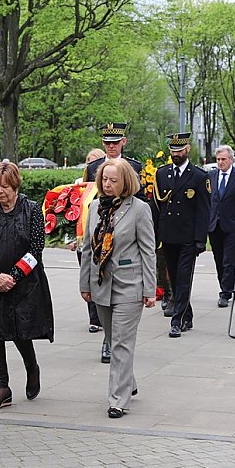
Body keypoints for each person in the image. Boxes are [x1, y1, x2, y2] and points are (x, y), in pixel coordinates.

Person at [79, 158, 156, 418]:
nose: (108, 184)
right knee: (113, 340)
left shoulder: (139, 209)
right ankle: (129, 382)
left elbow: (148, 251)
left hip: (130, 286)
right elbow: (88, 249)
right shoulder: (94, 207)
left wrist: (149, 289)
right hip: (101, 286)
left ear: (125, 182)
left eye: (113, 180)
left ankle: (117, 400)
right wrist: (85, 284)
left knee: (121, 343)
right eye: (104, 180)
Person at [0, 161, 54, 410]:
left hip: (24, 284)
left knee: (20, 332)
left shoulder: (31, 210)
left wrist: (14, 276)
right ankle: (2, 386)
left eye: (5, 187)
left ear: (16, 186)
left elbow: (36, 249)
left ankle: (32, 367)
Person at [83, 123, 144, 362]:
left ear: (123, 142)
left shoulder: (134, 167)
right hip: (97, 231)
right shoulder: (92, 168)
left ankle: (113, 343)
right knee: (94, 278)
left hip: (123, 233)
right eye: (106, 142)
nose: (110, 146)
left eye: (114, 142)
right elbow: (85, 199)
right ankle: (102, 331)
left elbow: (140, 202)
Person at [151, 132, 210, 337]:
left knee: (184, 278)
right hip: (168, 235)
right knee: (175, 278)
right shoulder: (162, 173)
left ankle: (176, 320)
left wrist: (200, 239)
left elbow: (203, 211)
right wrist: (154, 234)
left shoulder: (199, 176)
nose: (176, 154)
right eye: (172, 150)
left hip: (187, 236)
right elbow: (157, 207)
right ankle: (188, 315)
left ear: (187, 149)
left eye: (179, 150)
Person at [208, 145, 235, 307]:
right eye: (218, 159)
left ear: (231, 160)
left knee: (229, 260)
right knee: (218, 259)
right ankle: (224, 286)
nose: (221, 162)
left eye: (224, 159)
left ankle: (226, 292)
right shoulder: (210, 176)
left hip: (232, 225)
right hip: (214, 224)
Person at [72, 147, 106, 335]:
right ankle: (94, 318)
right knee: (88, 276)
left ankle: (102, 316)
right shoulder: (80, 186)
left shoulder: (107, 185)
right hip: (83, 240)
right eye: (89, 161)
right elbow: (73, 214)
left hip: (103, 239)